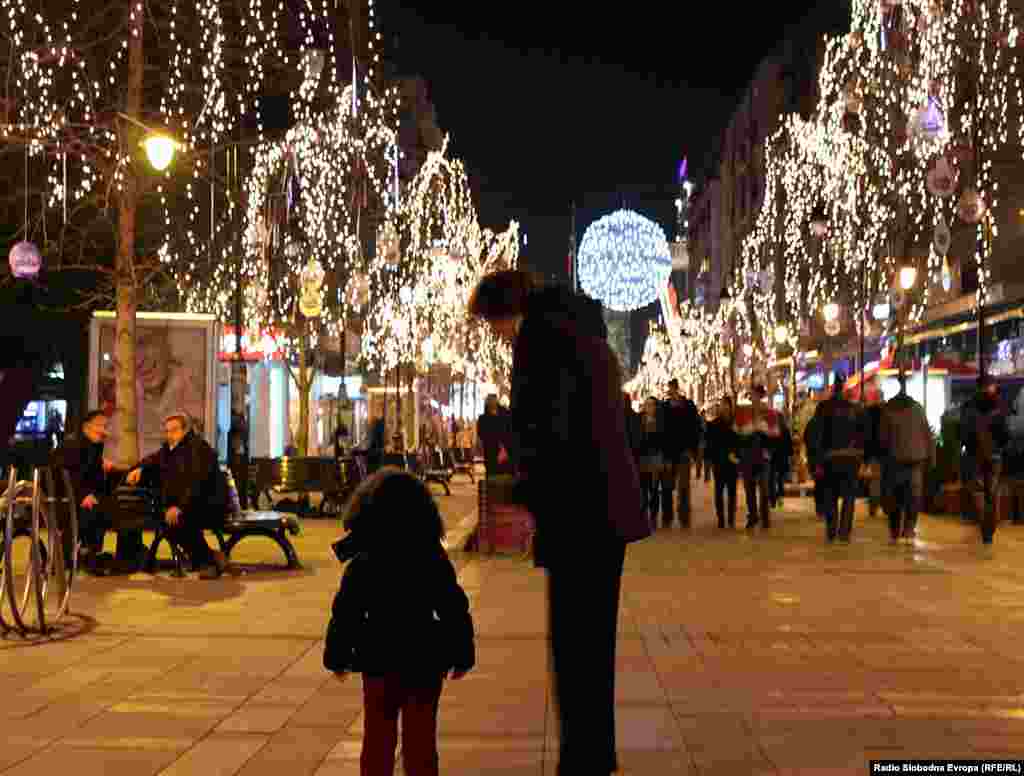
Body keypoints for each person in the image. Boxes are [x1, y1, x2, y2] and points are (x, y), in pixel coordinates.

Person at [469, 271, 650, 776]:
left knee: (573, 643)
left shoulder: (540, 342)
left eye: (493, 324)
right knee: (594, 641)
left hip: (578, 510)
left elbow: (549, 429)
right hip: (606, 509)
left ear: (509, 311)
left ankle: (581, 758)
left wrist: (526, 486)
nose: (495, 335)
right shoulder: (584, 335)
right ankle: (595, 750)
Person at [323, 467, 475, 776]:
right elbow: (452, 606)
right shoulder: (431, 555)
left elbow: (347, 610)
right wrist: (462, 653)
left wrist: (337, 656)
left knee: (378, 739)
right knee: (421, 742)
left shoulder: (365, 558)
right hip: (423, 658)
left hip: (379, 657)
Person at [125, 413, 228, 579]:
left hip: (207, 504)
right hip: (188, 504)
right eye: (166, 431)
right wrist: (140, 469)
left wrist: (180, 506)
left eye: (173, 430)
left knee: (177, 521)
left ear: (185, 430)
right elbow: (152, 460)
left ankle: (208, 562)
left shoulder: (198, 448)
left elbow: (196, 483)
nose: (169, 435)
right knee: (167, 521)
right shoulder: (170, 449)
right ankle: (211, 557)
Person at [49, 410, 120, 576]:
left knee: (108, 507)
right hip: (64, 499)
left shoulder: (93, 445)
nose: (104, 430)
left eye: (105, 425)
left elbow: (92, 479)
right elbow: (65, 476)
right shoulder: (73, 445)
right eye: (100, 425)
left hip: (79, 497)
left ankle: (88, 553)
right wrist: (83, 495)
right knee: (95, 510)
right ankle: (83, 554)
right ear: (87, 427)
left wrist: (105, 468)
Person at [807, 374, 865, 543]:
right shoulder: (855, 409)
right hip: (850, 458)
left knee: (830, 496)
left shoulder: (823, 408)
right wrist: (861, 457)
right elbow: (863, 435)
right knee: (848, 498)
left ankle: (832, 530)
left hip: (830, 459)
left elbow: (815, 436)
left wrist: (816, 461)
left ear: (833, 389)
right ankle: (844, 532)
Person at [878, 375, 935, 544]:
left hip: (894, 460)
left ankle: (895, 531)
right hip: (915, 460)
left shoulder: (888, 410)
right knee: (913, 497)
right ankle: (909, 530)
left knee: (895, 497)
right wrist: (931, 458)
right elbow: (927, 434)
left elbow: (882, 437)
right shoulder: (917, 408)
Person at [960, 375, 1010, 545]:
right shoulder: (999, 406)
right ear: (991, 386)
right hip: (995, 455)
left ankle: (985, 527)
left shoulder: (968, 406)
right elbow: (1005, 432)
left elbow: (963, 432)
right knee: (992, 492)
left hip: (975, 455)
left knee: (979, 492)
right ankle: (991, 524)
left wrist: (969, 445)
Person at [733, 384, 780, 530]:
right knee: (749, 488)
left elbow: (777, 433)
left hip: (763, 455)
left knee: (764, 489)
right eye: (751, 395)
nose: (752, 397)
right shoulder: (744, 412)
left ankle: (765, 518)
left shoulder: (770, 413)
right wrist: (749, 428)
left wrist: (763, 428)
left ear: (760, 395)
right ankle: (752, 516)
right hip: (747, 455)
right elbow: (736, 430)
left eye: (754, 394)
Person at [663, 379, 701, 527]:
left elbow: (695, 427)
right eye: (670, 389)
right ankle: (668, 516)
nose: (671, 392)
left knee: (684, 487)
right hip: (668, 452)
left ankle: (684, 516)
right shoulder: (665, 406)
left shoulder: (688, 405)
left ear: (677, 389)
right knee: (667, 486)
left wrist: (693, 450)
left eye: (673, 389)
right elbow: (662, 429)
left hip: (684, 452)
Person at [706, 396, 740, 529]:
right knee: (719, 492)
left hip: (732, 463)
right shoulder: (714, 424)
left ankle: (731, 518)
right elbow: (710, 444)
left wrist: (737, 455)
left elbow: (739, 441)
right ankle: (721, 519)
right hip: (719, 462)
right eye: (722, 405)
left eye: (727, 405)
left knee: (732, 492)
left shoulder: (735, 423)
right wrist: (710, 462)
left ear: (730, 407)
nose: (725, 408)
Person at [637, 396, 669, 527]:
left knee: (654, 489)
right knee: (643, 489)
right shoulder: (639, 421)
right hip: (643, 459)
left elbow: (663, 441)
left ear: (656, 407)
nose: (649, 407)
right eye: (647, 404)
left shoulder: (660, 422)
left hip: (656, 458)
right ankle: (643, 517)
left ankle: (653, 517)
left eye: (651, 405)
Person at [477, 394, 513, 477]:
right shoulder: (483, 419)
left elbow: (509, 431)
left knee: (504, 475)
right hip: (491, 451)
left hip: (505, 449)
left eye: (493, 401)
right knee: (492, 475)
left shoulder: (505, 415)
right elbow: (482, 435)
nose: (492, 403)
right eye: (490, 401)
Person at [770, 414, 794, 508]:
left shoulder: (773, 430)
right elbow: (789, 445)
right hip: (782, 458)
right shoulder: (785, 430)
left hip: (774, 457)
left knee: (772, 479)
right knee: (780, 479)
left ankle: (773, 499)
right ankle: (779, 497)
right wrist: (790, 455)